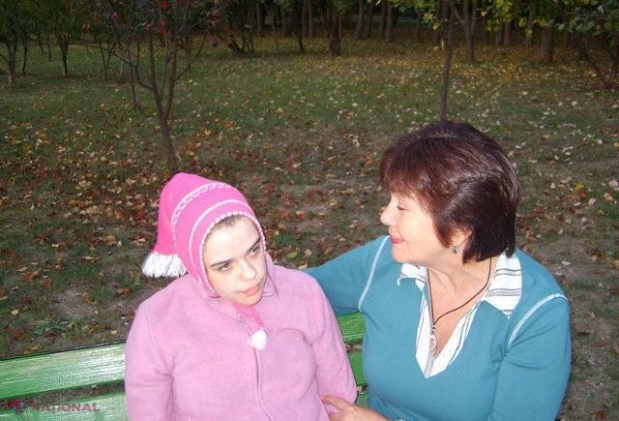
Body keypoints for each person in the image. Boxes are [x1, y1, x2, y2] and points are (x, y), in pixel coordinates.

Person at [306, 121, 571, 421]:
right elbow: (292, 292)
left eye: (402, 208)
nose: (385, 216)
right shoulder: (382, 262)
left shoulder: (535, 313)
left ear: (459, 230)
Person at [125, 173, 356, 421]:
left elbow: (337, 394)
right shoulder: (159, 320)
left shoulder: (303, 292)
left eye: (254, 250)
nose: (250, 274)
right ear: (195, 265)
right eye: (225, 266)